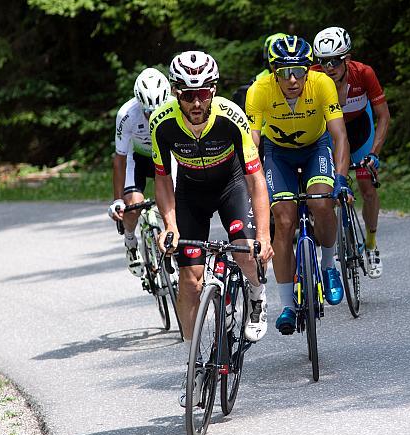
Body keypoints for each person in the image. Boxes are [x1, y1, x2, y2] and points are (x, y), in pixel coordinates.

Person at [150, 51, 273, 406]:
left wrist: (263, 237)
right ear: (175, 93)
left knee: (244, 253)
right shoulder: (163, 123)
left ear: (214, 90)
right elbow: (162, 180)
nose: (196, 102)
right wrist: (169, 225)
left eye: (203, 93)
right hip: (190, 193)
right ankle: (193, 365)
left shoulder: (231, 116)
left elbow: (255, 178)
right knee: (189, 280)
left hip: (230, 185)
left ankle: (255, 295)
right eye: (187, 95)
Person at [245, 35, 353, 335]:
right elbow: (252, 140)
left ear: (309, 69)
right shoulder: (258, 91)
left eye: (298, 71)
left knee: (321, 202)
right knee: (283, 219)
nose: (292, 79)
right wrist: (249, 179)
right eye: (283, 72)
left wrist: (341, 180)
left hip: (315, 146)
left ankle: (329, 266)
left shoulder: (322, 84)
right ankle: (288, 306)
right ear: (273, 72)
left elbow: (340, 136)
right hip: (278, 153)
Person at [312, 27, 390, 278]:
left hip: (359, 131)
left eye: (334, 61)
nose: (328, 67)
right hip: (329, 134)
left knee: (367, 189)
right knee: (329, 191)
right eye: (323, 61)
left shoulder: (363, 73)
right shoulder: (312, 77)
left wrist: (375, 153)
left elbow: (383, 116)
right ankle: (336, 243)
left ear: (347, 58)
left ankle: (370, 243)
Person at [107, 68, 171, 278]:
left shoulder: (175, 107)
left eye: (156, 112)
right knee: (132, 208)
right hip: (138, 159)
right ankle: (130, 240)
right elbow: (120, 159)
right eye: (147, 112)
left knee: (176, 204)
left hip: (166, 158)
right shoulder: (126, 115)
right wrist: (118, 200)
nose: (152, 116)